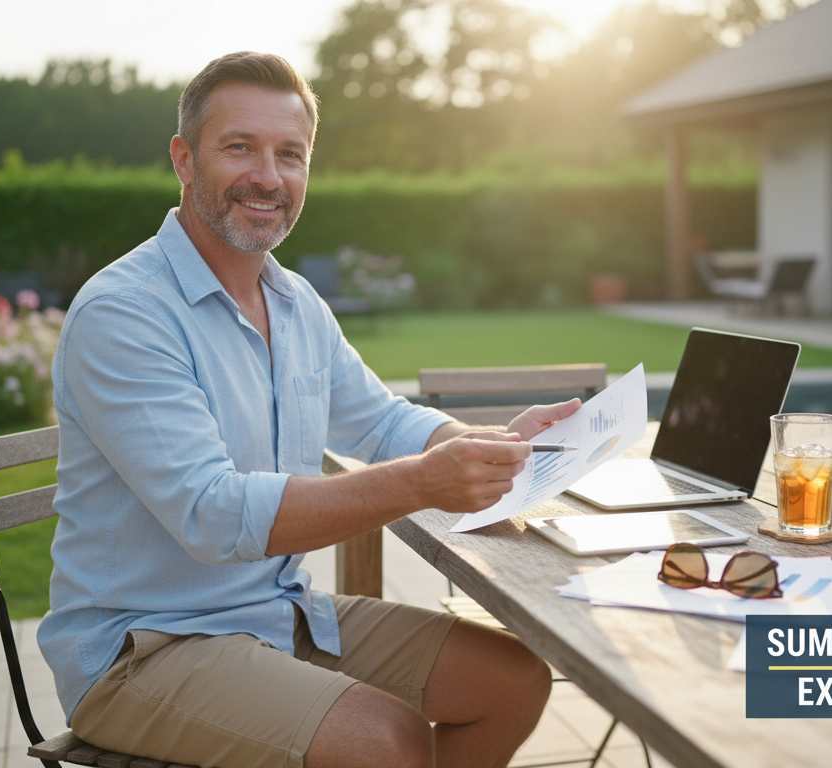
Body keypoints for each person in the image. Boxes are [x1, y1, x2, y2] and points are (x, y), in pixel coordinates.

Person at [39, 51, 579, 768]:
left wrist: (486, 444)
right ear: (184, 159)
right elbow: (212, 515)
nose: (268, 176)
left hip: (279, 613)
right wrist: (424, 482)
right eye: (240, 147)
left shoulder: (294, 302)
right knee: (386, 741)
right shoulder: (126, 312)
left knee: (511, 683)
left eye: (289, 154)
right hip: (144, 648)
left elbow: (381, 422)